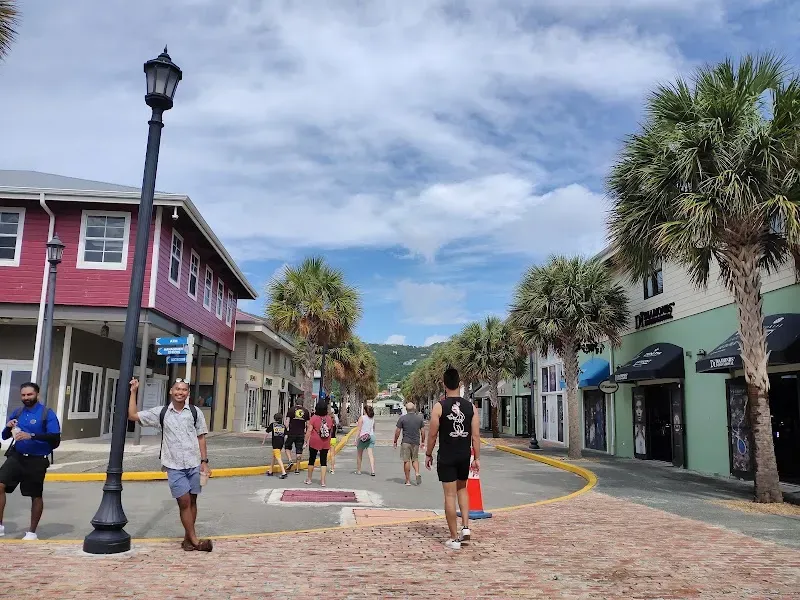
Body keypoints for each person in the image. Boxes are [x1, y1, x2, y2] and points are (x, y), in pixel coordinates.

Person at [128, 378, 213, 552]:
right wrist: (133, 392)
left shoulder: (195, 412)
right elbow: (133, 415)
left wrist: (204, 462)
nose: (180, 392)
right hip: (173, 465)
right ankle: (196, 541)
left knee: (193, 501)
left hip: (194, 463)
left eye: (184, 390)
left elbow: (201, 438)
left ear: (188, 393)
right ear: (171, 391)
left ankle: (187, 539)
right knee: (184, 501)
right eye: (177, 389)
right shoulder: (162, 412)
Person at [426, 367, 480, 551]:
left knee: (449, 495)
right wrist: (477, 458)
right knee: (462, 489)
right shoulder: (470, 407)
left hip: (447, 455)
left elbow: (432, 435)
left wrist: (428, 454)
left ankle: (454, 538)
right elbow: (475, 436)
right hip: (464, 455)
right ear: (460, 383)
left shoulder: (439, 407)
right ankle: (466, 528)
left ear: (444, 384)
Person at [0, 382, 61, 540]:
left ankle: (32, 532)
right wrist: (8, 427)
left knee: (35, 495)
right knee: (0, 484)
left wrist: (31, 435)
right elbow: (5, 436)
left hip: (37, 460)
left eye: (29, 394)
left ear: (37, 395)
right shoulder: (18, 412)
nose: (26, 398)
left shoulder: (47, 413)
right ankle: (0, 526)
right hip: (17, 456)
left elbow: (55, 438)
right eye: (23, 395)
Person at [394, 402, 425, 486]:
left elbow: (398, 431)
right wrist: (423, 441)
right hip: (416, 442)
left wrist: (395, 441)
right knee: (415, 459)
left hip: (406, 442)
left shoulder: (402, 418)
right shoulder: (419, 418)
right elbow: (423, 431)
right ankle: (417, 473)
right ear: (414, 408)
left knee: (406, 460)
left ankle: (407, 481)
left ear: (406, 409)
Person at [305, 401, 335, 486]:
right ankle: (323, 481)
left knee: (312, 459)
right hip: (325, 442)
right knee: (323, 461)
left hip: (314, 441)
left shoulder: (314, 418)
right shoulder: (329, 418)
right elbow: (331, 430)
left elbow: (309, 430)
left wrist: (305, 440)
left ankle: (309, 479)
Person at [285, 401, 310, 474]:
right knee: (299, 450)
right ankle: (297, 469)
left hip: (292, 432)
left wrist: (285, 430)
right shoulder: (306, 411)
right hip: (301, 433)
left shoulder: (291, 410)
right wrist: (307, 435)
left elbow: (287, 422)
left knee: (287, 447)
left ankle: (290, 460)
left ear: (296, 402)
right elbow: (308, 424)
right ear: (302, 404)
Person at [262, 412, 288, 479]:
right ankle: (270, 470)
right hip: (281, 443)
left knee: (278, 457)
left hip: (275, 443)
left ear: (274, 418)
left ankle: (283, 472)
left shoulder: (273, 425)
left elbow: (267, 432)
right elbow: (286, 435)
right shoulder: (283, 426)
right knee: (274, 456)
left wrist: (264, 441)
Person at [354, 405, 376, 476]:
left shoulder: (362, 418)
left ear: (365, 411)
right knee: (371, 454)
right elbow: (373, 428)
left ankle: (359, 470)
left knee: (359, 454)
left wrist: (355, 439)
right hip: (371, 436)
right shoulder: (372, 418)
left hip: (363, 438)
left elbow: (359, 429)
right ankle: (372, 470)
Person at [328, 404, 340, 474]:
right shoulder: (335, 422)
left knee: (326, 453)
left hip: (327, 439)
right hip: (333, 439)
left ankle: (325, 466)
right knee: (332, 455)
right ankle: (332, 469)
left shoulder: (327, 421)